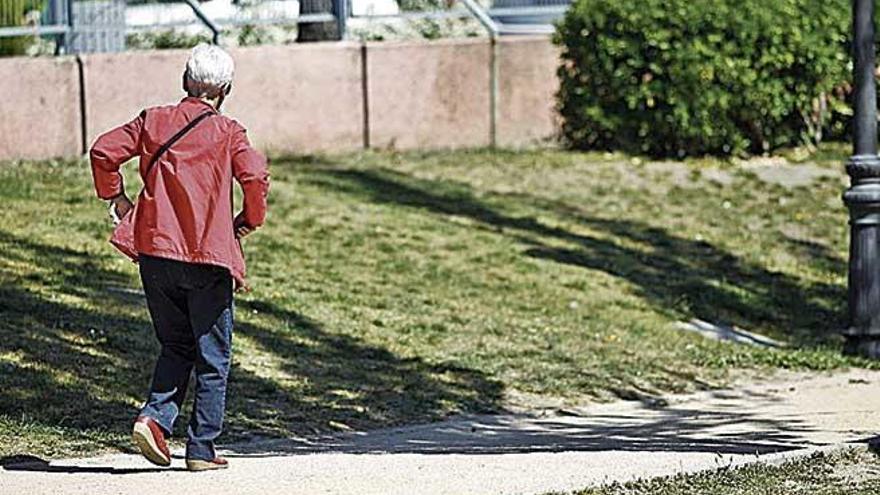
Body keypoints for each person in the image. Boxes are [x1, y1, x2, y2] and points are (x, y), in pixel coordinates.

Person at [89, 43, 269, 471]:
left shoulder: (153, 120)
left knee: (175, 343)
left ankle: (154, 419)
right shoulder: (229, 132)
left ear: (186, 81)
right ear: (225, 89)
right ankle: (202, 449)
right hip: (206, 259)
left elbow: (103, 151)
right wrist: (248, 219)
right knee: (213, 353)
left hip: (155, 254)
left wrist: (116, 198)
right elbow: (255, 175)